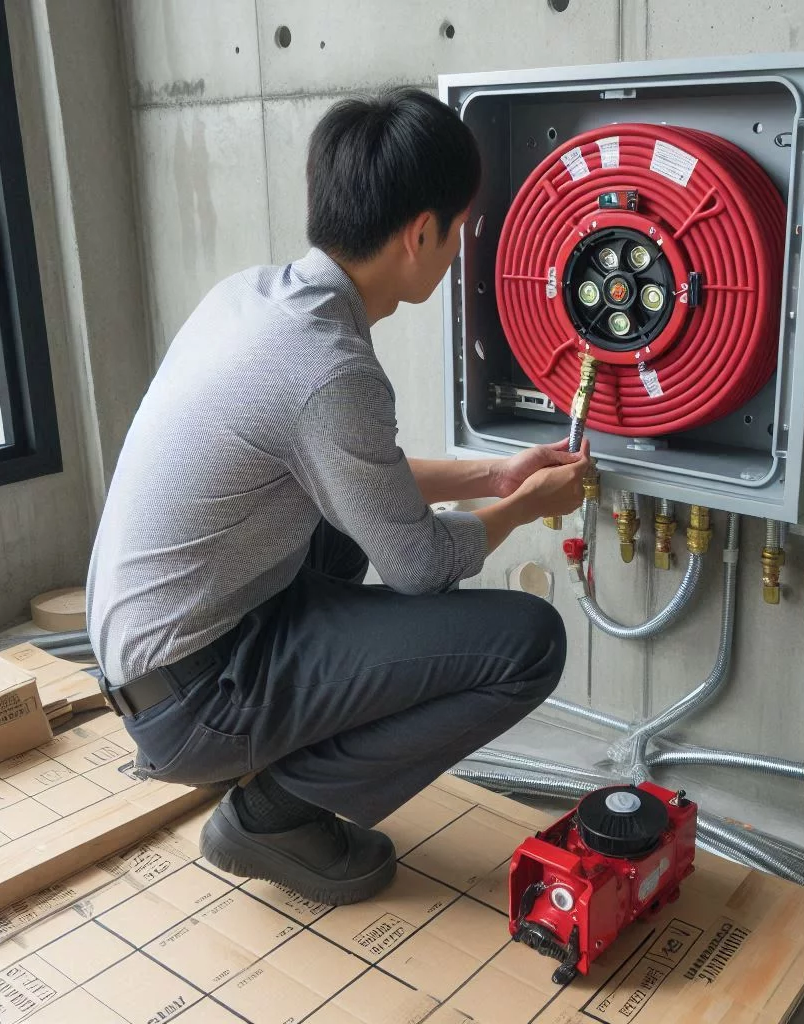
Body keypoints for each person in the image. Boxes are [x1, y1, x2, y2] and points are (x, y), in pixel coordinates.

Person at [86, 88, 591, 906]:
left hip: (154, 653)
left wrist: (493, 477)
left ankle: (277, 743)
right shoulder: (330, 368)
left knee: (349, 523)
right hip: (194, 694)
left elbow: (355, 471)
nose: (461, 248)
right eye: (460, 228)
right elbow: (423, 564)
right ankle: (271, 813)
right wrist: (527, 510)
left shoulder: (254, 298)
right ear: (420, 233)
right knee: (529, 642)